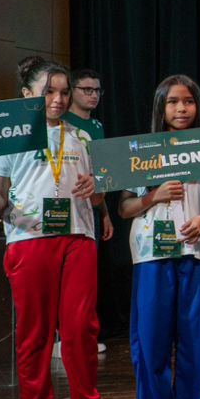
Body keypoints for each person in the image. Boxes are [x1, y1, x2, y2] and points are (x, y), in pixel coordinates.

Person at [0, 57, 113, 399]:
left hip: (78, 237)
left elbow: (97, 196)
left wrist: (96, 189)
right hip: (28, 239)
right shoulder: (10, 138)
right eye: (49, 92)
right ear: (27, 94)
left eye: (64, 92)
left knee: (81, 328)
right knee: (35, 330)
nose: (58, 100)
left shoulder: (82, 138)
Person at [118, 75, 200, 399]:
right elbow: (125, 208)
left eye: (188, 101)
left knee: (195, 338)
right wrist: (154, 195)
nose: (181, 109)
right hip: (152, 255)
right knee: (152, 339)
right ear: (160, 107)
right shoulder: (141, 150)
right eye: (173, 102)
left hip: (196, 254)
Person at [66, 68, 113, 353]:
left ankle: (84, 334)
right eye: (87, 90)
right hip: (65, 205)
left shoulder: (96, 126)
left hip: (91, 207)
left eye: (97, 90)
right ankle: (63, 336)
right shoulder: (63, 123)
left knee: (87, 276)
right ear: (72, 91)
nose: (93, 95)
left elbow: (101, 174)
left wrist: (104, 212)